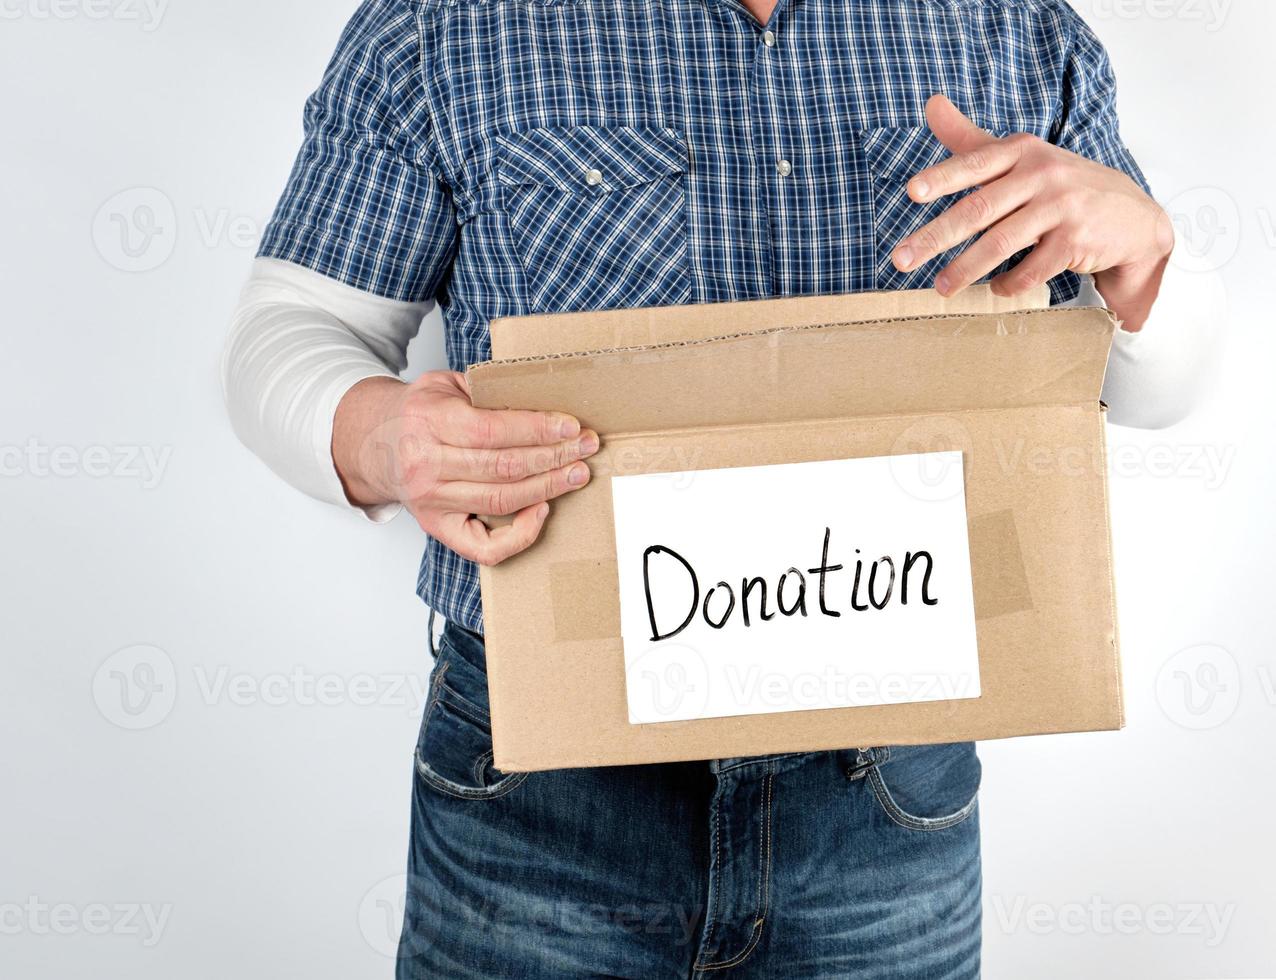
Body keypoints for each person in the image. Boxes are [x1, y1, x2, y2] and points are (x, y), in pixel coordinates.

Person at [223, 1, 1212, 976]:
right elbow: (291, 329)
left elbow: (1148, 386)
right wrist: (385, 437)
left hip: (885, 792)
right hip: (541, 794)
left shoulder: (1012, 31)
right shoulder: (442, 26)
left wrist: (1149, 260)